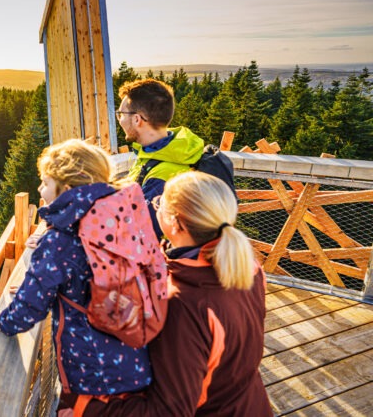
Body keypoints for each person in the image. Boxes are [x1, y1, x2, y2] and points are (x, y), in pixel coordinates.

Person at [0, 139, 153, 413]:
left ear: (68, 187)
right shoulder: (119, 218)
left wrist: (3, 321)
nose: (40, 189)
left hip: (93, 375)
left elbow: (31, 306)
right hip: (135, 361)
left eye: (45, 183)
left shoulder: (60, 242)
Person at [94, 171, 272, 416]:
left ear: (175, 223)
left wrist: (87, 405)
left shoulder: (182, 304)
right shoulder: (248, 267)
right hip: (249, 404)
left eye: (160, 203)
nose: (155, 207)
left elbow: (168, 412)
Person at [116, 79, 205, 236]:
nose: (120, 120)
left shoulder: (164, 175)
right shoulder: (162, 153)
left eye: (121, 114)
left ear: (137, 119)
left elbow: (135, 233)